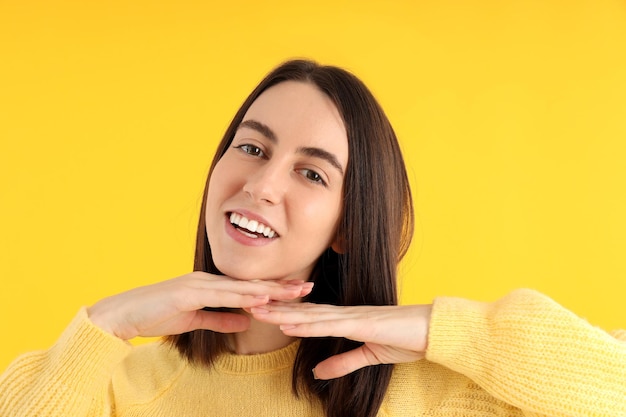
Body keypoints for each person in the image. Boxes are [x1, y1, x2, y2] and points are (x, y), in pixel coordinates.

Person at [0, 59, 624, 417]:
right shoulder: (115, 387)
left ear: (350, 226)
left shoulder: (424, 393)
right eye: (251, 147)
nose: (262, 185)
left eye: (311, 172)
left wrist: (450, 332)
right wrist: (106, 324)